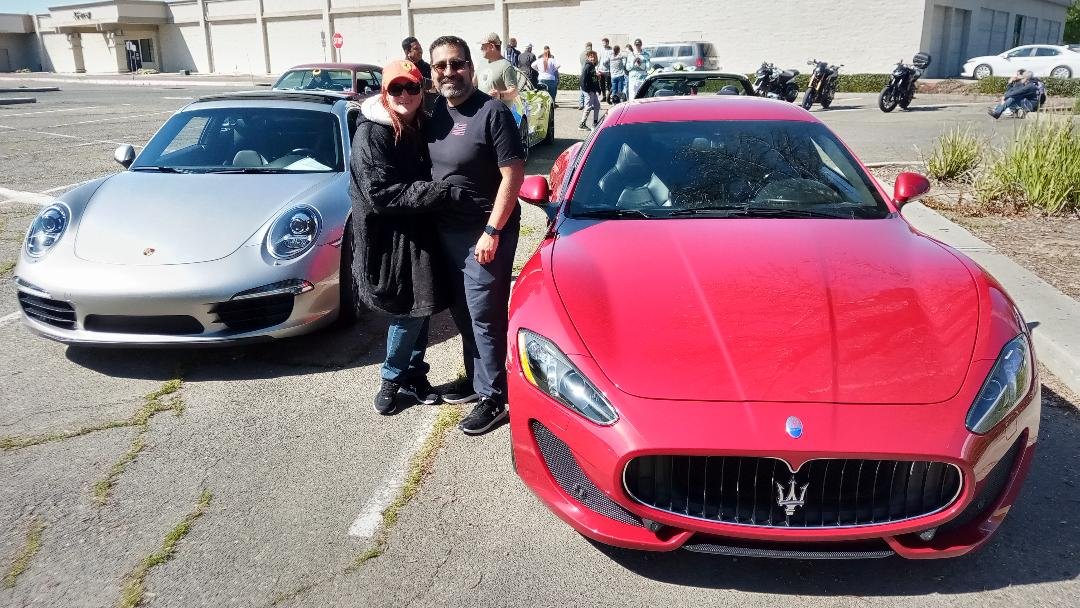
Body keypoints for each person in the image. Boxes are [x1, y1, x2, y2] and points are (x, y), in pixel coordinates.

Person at [427, 35, 525, 435]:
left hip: (484, 233)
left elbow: (513, 175)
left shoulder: (493, 112)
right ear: (432, 73)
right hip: (445, 231)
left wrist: (491, 230)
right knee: (462, 310)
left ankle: (495, 396)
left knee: (485, 315)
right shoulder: (434, 112)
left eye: (456, 63)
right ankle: (475, 379)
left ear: (470, 66)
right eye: (440, 66)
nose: (449, 72)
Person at [350, 59, 458, 415]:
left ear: (421, 90)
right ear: (385, 91)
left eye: (411, 87)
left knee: (421, 307)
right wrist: (441, 192)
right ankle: (391, 377)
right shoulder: (373, 134)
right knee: (407, 313)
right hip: (389, 240)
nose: (404, 95)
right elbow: (381, 193)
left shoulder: (419, 125)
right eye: (396, 88)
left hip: (419, 236)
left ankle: (414, 375)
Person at [475, 32, 523, 106]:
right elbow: (473, 83)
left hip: (499, 114)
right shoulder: (482, 63)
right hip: (482, 112)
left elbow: (514, 92)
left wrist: (499, 95)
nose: (481, 48)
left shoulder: (506, 66)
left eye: (483, 46)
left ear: (491, 47)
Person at [579, 50, 601, 130]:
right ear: (588, 58)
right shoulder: (588, 66)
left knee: (597, 106)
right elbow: (582, 79)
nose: (593, 58)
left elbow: (594, 79)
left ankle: (595, 123)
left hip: (593, 90)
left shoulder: (592, 66)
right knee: (588, 107)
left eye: (594, 57)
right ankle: (582, 124)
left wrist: (598, 89)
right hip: (589, 90)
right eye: (591, 57)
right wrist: (587, 90)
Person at [597, 37, 612, 103]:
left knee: (609, 84)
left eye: (605, 43)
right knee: (601, 84)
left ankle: (609, 96)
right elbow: (598, 59)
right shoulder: (600, 50)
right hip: (601, 70)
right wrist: (597, 68)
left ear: (608, 43)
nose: (604, 44)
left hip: (608, 70)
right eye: (603, 43)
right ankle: (604, 96)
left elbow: (612, 59)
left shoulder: (611, 50)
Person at [577, 42, 593, 109]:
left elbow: (581, 62)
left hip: (582, 72)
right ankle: (590, 104)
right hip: (589, 73)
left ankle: (581, 104)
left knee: (582, 89)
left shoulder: (581, 54)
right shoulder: (591, 54)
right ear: (591, 46)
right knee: (591, 90)